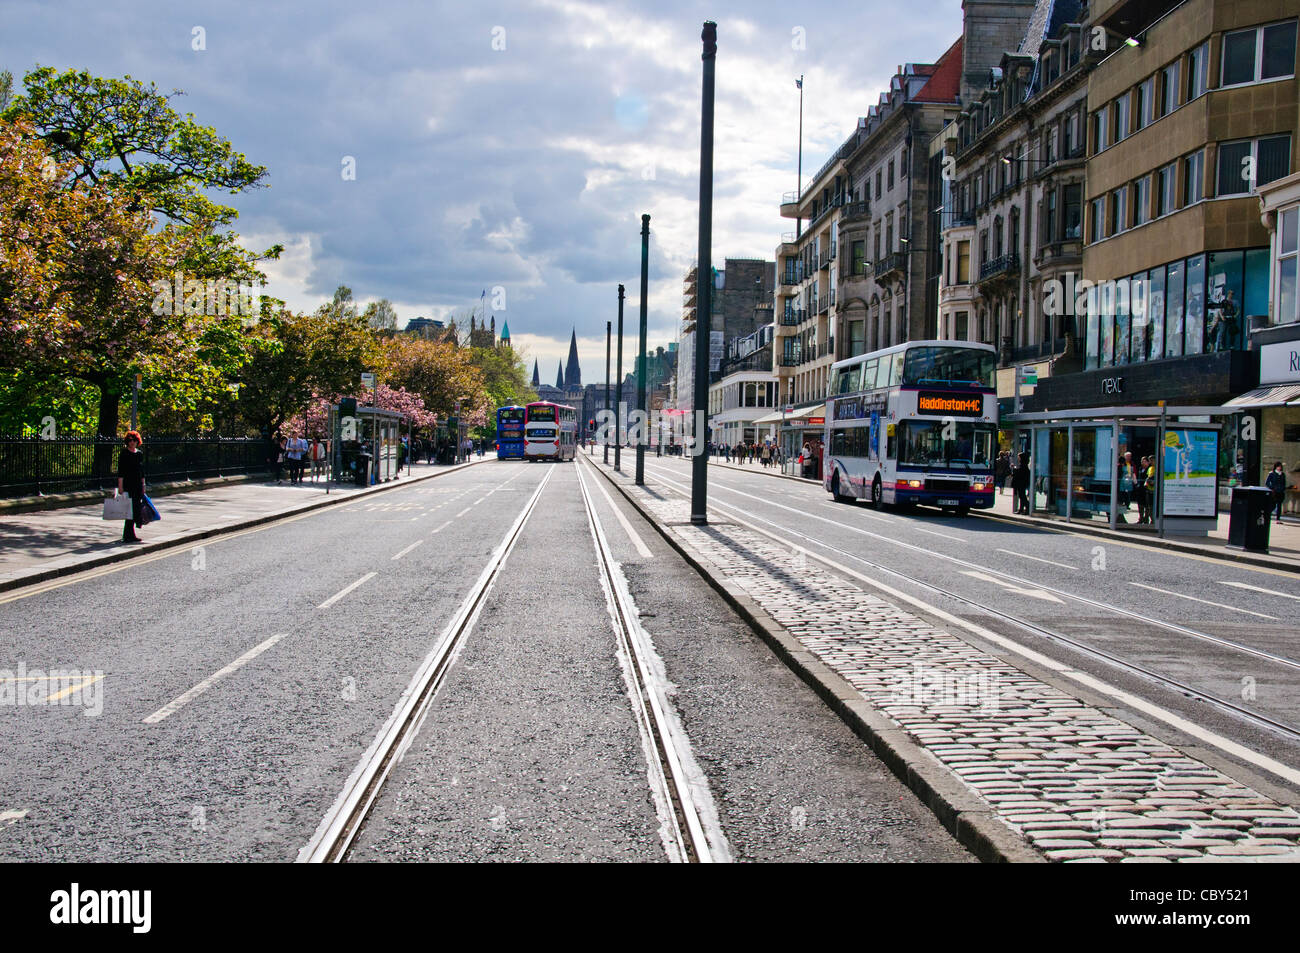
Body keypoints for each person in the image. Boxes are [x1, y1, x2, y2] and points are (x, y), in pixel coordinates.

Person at [116, 431, 146, 543]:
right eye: (130, 440)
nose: (132, 442)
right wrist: (120, 486)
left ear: (137, 441)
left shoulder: (139, 454)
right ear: (127, 442)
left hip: (137, 485)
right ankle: (128, 535)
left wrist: (143, 485)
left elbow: (142, 472)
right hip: (128, 485)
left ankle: (131, 534)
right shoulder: (124, 454)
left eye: (134, 440)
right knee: (129, 510)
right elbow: (121, 471)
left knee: (135, 510)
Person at [1012, 450, 1031, 515]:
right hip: (1022, 482)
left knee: (1022, 496)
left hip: (1021, 483)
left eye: (1019, 457)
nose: (1018, 459)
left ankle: (1027, 507)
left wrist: (1014, 470)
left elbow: (1020, 473)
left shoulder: (1023, 465)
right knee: (1021, 496)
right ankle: (1021, 509)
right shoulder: (1024, 465)